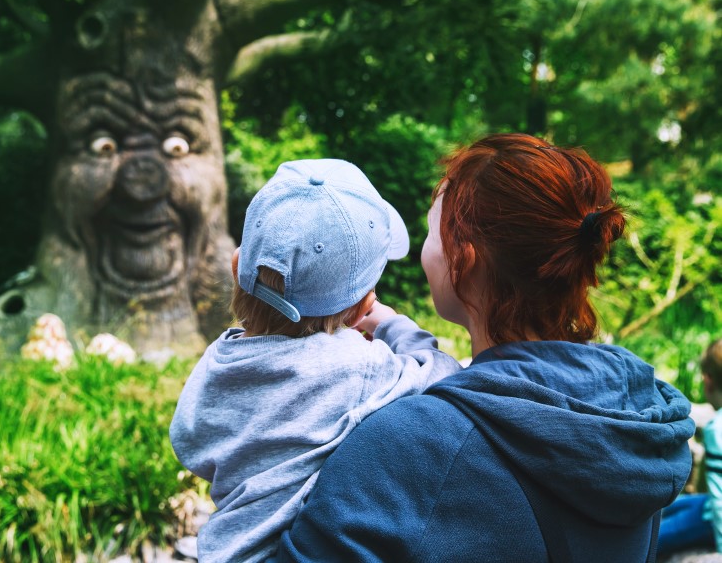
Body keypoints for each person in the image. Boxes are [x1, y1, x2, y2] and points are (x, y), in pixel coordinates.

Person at [274, 134, 695, 562]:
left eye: (429, 232)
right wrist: (395, 328)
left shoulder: (414, 441)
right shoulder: (639, 416)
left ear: (462, 260)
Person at [169, 158, 462, 563]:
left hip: (223, 549)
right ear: (364, 306)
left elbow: (188, 439)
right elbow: (443, 374)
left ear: (237, 268)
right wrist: (393, 325)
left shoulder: (220, 360)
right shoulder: (359, 367)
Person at [700, 338, 722, 550]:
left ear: (709, 381)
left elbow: (719, 500)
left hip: (713, 519)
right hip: (706, 506)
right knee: (669, 508)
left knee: (656, 535)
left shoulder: (717, 429)